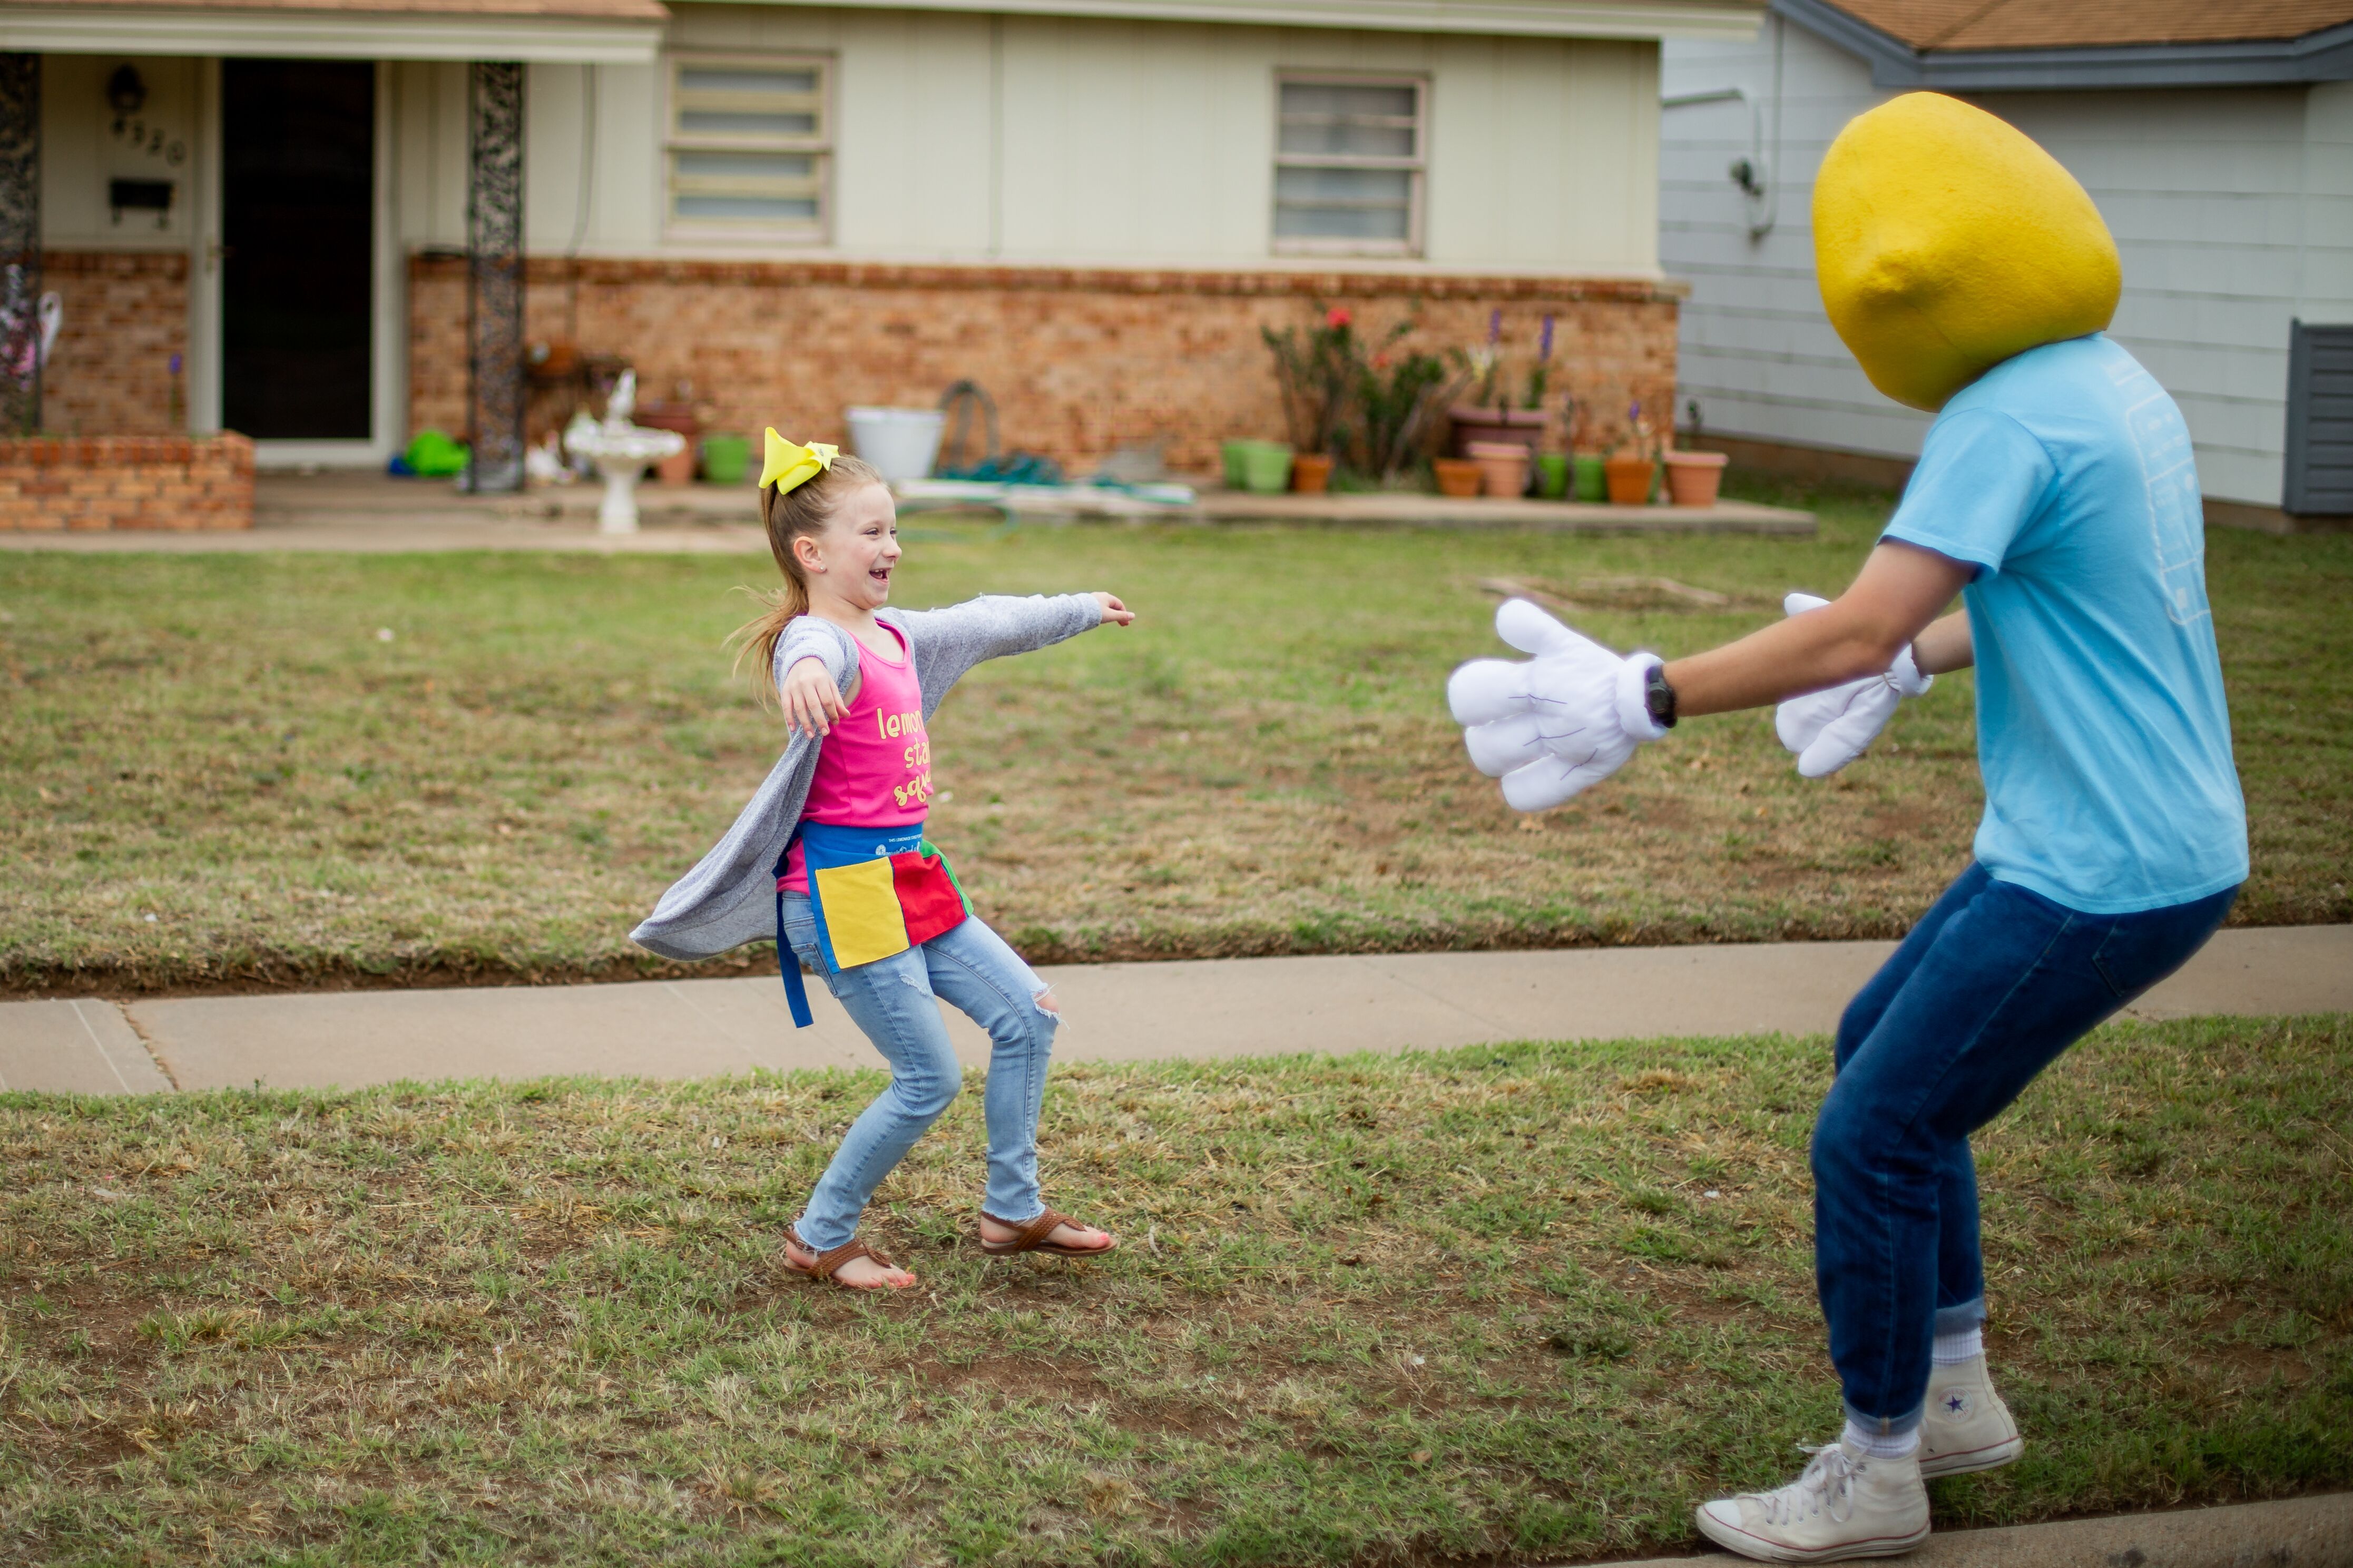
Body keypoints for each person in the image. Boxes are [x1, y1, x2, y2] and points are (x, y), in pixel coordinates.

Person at [1449, 93, 2246, 1561]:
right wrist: (1915, 659)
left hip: (2101, 868)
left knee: (1871, 1132)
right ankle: (1950, 1395)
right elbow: (2047, 602)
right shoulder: (2108, 380)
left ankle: (1877, 1471)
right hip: (2140, 841)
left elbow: (1857, 622)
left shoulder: (2002, 416)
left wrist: (1650, 692)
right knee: (1878, 1056)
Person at [633, 431, 1133, 1292]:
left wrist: (1080, 605)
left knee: (1028, 1016)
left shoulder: (901, 634)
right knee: (926, 1077)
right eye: (871, 533)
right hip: (841, 892)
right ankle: (821, 1235)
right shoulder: (817, 644)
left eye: (893, 530)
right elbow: (809, 653)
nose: (891, 548)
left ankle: (1012, 1210)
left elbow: (990, 619)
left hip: (909, 876)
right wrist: (801, 676)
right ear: (811, 552)